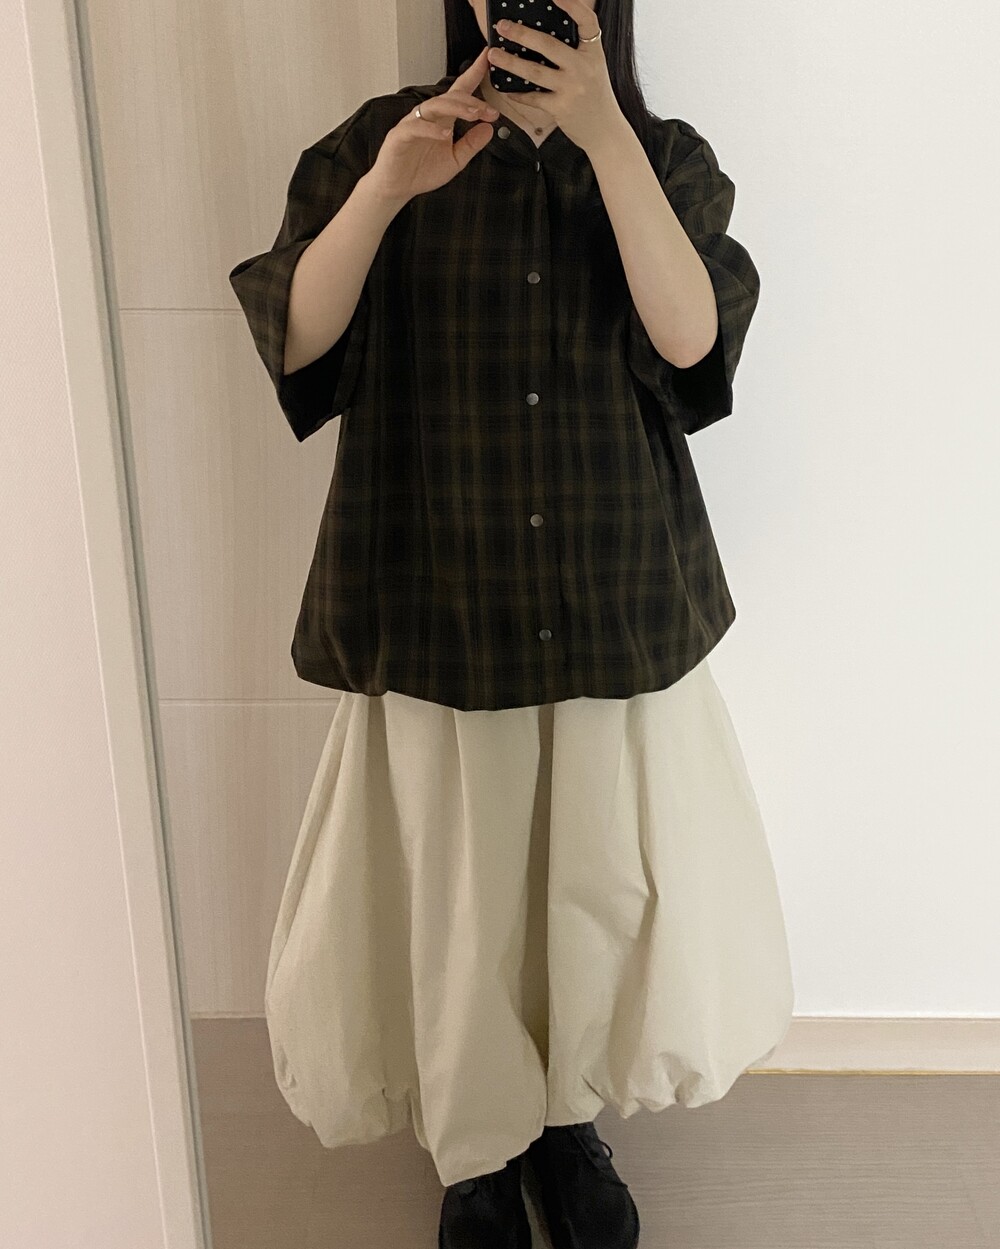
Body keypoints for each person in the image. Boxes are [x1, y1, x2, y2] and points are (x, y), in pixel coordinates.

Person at [228, 1, 795, 1246]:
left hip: (610, 592)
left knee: (594, 882)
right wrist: (383, 193)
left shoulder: (663, 156)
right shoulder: (382, 143)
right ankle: (474, 1143)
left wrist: (603, 135)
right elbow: (299, 343)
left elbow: (692, 346)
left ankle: (563, 1121)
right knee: (462, 898)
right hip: (439, 594)